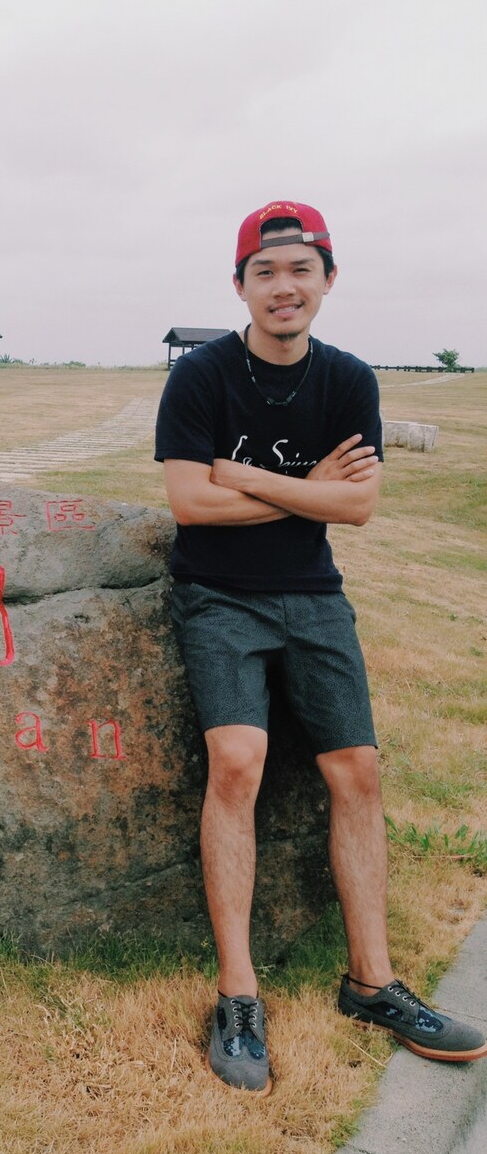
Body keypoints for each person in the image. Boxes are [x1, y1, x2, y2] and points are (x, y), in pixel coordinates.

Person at [154, 200, 486, 1095]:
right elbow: (189, 504)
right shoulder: (200, 379)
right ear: (240, 286)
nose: (284, 286)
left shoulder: (347, 381)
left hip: (313, 596)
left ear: (328, 280)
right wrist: (308, 487)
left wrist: (248, 475)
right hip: (218, 596)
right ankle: (238, 995)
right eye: (264, 272)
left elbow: (358, 506)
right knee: (238, 761)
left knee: (358, 771)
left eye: (301, 270)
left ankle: (372, 984)